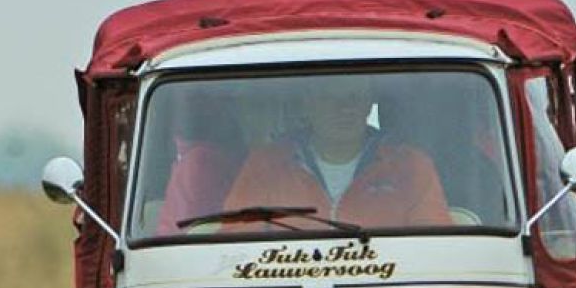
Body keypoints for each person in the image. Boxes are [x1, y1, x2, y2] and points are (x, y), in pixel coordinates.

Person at [164, 77, 451, 233]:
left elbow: (438, 250)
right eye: (329, 98)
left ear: (368, 104)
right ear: (308, 105)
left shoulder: (411, 166)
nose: (345, 108)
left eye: (355, 97)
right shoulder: (266, 165)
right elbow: (235, 244)